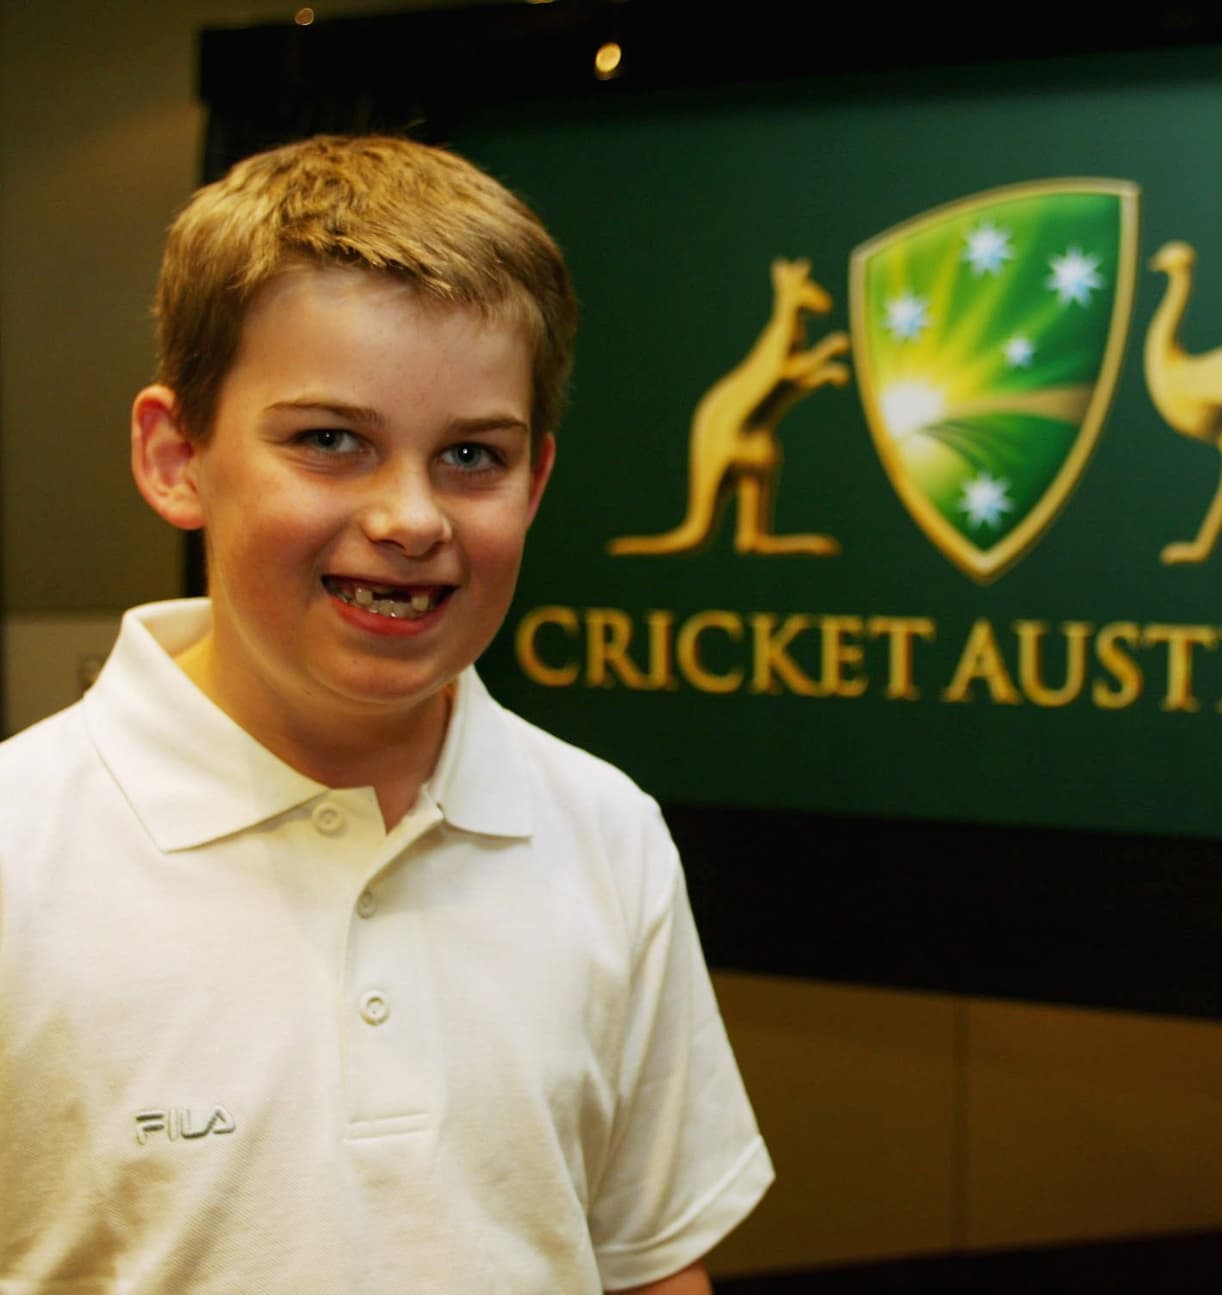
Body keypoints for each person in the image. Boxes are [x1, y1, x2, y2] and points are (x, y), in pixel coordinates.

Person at [0, 135, 771, 1292]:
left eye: (471, 454)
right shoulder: (23, 852)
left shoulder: (603, 831)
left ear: (537, 480)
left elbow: (653, 1263)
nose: (411, 517)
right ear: (177, 457)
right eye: (330, 441)